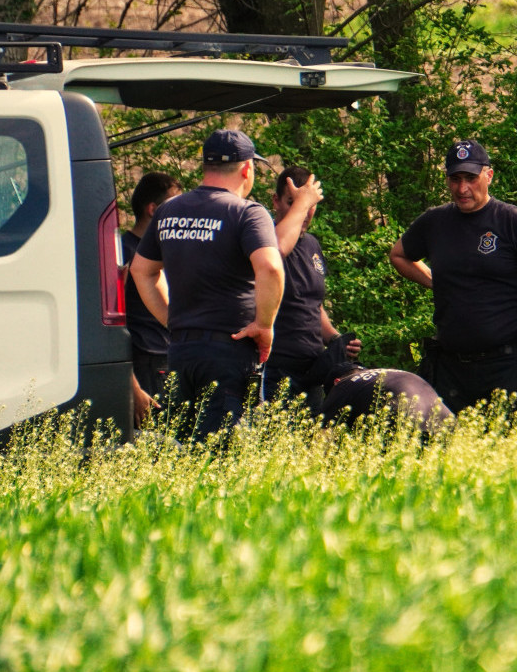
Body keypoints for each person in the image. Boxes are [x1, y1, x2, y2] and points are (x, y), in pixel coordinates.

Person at [388, 139, 517, 412]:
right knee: (448, 451)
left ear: (488, 176)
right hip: (450, 367)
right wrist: (437, 282)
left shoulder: (514, 222)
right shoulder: (435, 222)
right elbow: (398, 255)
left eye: (471, 178)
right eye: (455, 179)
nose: (462, 188)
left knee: (508, 448)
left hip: (507, 364)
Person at [130, 129, 284, 442]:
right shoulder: (247, 213)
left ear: (205, 167)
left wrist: (171, 319)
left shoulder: (168, 211)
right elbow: (270, 267)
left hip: (180, 352)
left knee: (183, 448)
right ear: (246, 169)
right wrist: (264, 325)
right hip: (229, 349)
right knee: (222, 452)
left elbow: (141, 270)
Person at [264, 165, 362, 414]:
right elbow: (273, 254)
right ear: (275, 201)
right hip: (276, 367)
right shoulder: (264, 242)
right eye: (293, 203)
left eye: (309, 205)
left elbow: (313, 305)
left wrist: (336, 339)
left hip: (312, 369)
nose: (304, 213)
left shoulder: (311, 244)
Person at [122, 172, 181, 426]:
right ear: (153, 210)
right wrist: (131, 384)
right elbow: (110, 326)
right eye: (174, 204)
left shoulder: (170, 249)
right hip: (147, 362)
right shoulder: (123, 251)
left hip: (174, 356)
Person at [320, 361, 454, 437]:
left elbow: (323, 435)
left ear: (336, 382)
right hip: (448, 425)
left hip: (403, 428)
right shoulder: (393, 374)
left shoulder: (343, 384)